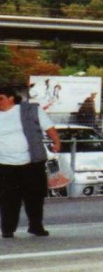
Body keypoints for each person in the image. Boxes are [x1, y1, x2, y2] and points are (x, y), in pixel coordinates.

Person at [0, 84, 60, 238]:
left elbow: (49, 127)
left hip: (32, 162)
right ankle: (7, 229)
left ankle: (36, 226)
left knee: (34, 196)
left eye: (1, 99)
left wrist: (56, 142)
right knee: (8, 199)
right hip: (5, 165)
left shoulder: (30, 110)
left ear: (11, 98)